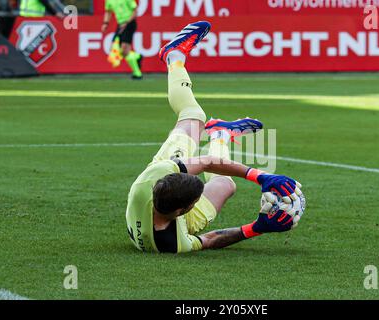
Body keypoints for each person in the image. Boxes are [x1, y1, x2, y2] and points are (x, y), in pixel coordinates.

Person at [125, 21, 305, 253]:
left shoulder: (151, 179)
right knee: (224, 184)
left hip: (160, 201)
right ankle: (220, 134)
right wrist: (257, 228)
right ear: (186, 209)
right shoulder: (173, 244)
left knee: (193, 116)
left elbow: (207, 162)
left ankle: (174, 56)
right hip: (174, 221)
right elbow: (208, 240)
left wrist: (262, 177)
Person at [101, 0, 143, 80]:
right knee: (115, 48)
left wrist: (127, 22)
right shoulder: (108, 1)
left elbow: (135, 10)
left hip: (130, 23)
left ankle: (137, 74)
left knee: (124, 50)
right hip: (120, 24)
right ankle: (137, 57)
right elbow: (108, 11)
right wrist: (105, 23)